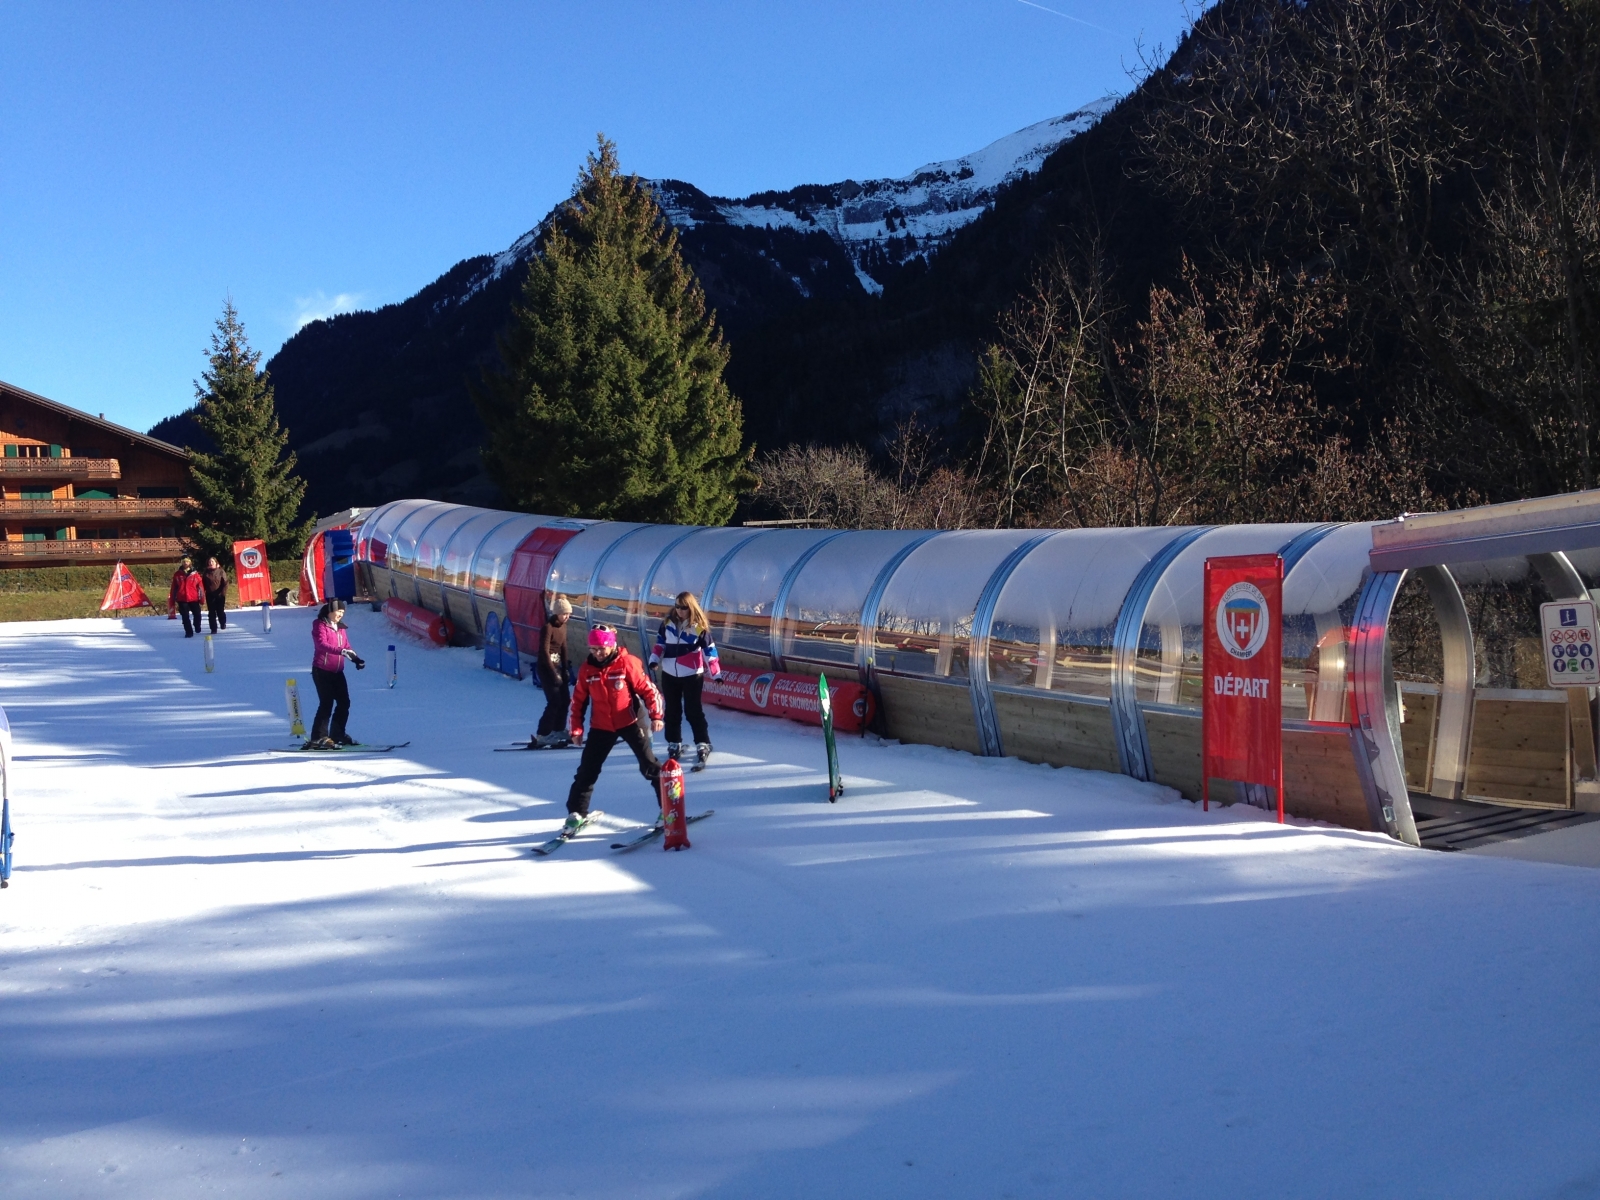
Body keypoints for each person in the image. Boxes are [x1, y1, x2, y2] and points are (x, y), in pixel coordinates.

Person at [563, 625, 663, 834]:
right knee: (587, 770)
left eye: (602, 648)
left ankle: (669, 808)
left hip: (631, 721)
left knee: (649, 766)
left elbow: (648, 690)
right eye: (593, 649)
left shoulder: (627, 663)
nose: (598, 653)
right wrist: (576, 730)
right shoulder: (587, 670)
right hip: (601, 725)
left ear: (612, 645)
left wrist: (656, 716)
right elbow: (578, 701)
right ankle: (576, 813)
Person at [649, 591, 721, 768]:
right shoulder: (667, 624)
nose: (680, 610)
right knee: (672, 710)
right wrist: (653, 660)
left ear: (691, 608)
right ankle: (674, 741)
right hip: (669, 673)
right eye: (677, 606)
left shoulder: (698, 628)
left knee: (692, 710)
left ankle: (702, 742)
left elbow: (709, 651)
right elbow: (660, 644)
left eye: (684, 607)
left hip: (691, 674)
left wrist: (716, 673)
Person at [308, 599, 365, 748]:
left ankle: (337, 733)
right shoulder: (320, 625)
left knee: (344, 702)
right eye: (338, 611)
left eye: (342, 612)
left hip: (337, 671)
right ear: (330, 611)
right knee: (326, 703)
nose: (340, 614)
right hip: (322, 670)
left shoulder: (341, 628)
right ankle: (318, 737)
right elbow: (322, 644)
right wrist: (341, 651)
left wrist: (356, 659)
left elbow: (346, 646)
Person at [533, 595, 573, 747]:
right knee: (554, 701)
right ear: (556, 613)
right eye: (564, 614)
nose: (567, 617)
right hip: (546, 668)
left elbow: (563, 648)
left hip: (558, 667)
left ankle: (558, 729)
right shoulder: (548, 628)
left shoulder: (563, 627)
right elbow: (544, 652)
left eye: (568, 614)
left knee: (565, 700)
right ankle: (543, 734)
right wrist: (553, 673)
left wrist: (565, 668)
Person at [168, 557, 205, 638]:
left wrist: (202, 598)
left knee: (197, 614)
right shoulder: (177, 574)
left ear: (190, 563)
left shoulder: (195, 574)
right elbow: (174, 588)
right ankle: (189, 632)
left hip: (193, 598)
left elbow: (200, 587)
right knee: (185, 617)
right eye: (184, 562)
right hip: (182, 598)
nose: (185, 563)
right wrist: (172, 600)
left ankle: (197, 625)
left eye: (187, 561)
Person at [202, 556, 229, 633]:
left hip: (220, 595)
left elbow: (225, 583)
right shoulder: (206, 572)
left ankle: (222, 623)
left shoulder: (220, 571)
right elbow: (203, 583)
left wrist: (223, 593)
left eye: (212, 562)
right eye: (209, 562)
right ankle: (213, 628)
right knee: (211, 613)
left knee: (220, 611)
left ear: (216, 563)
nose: (210, 563)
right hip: (210, 595)